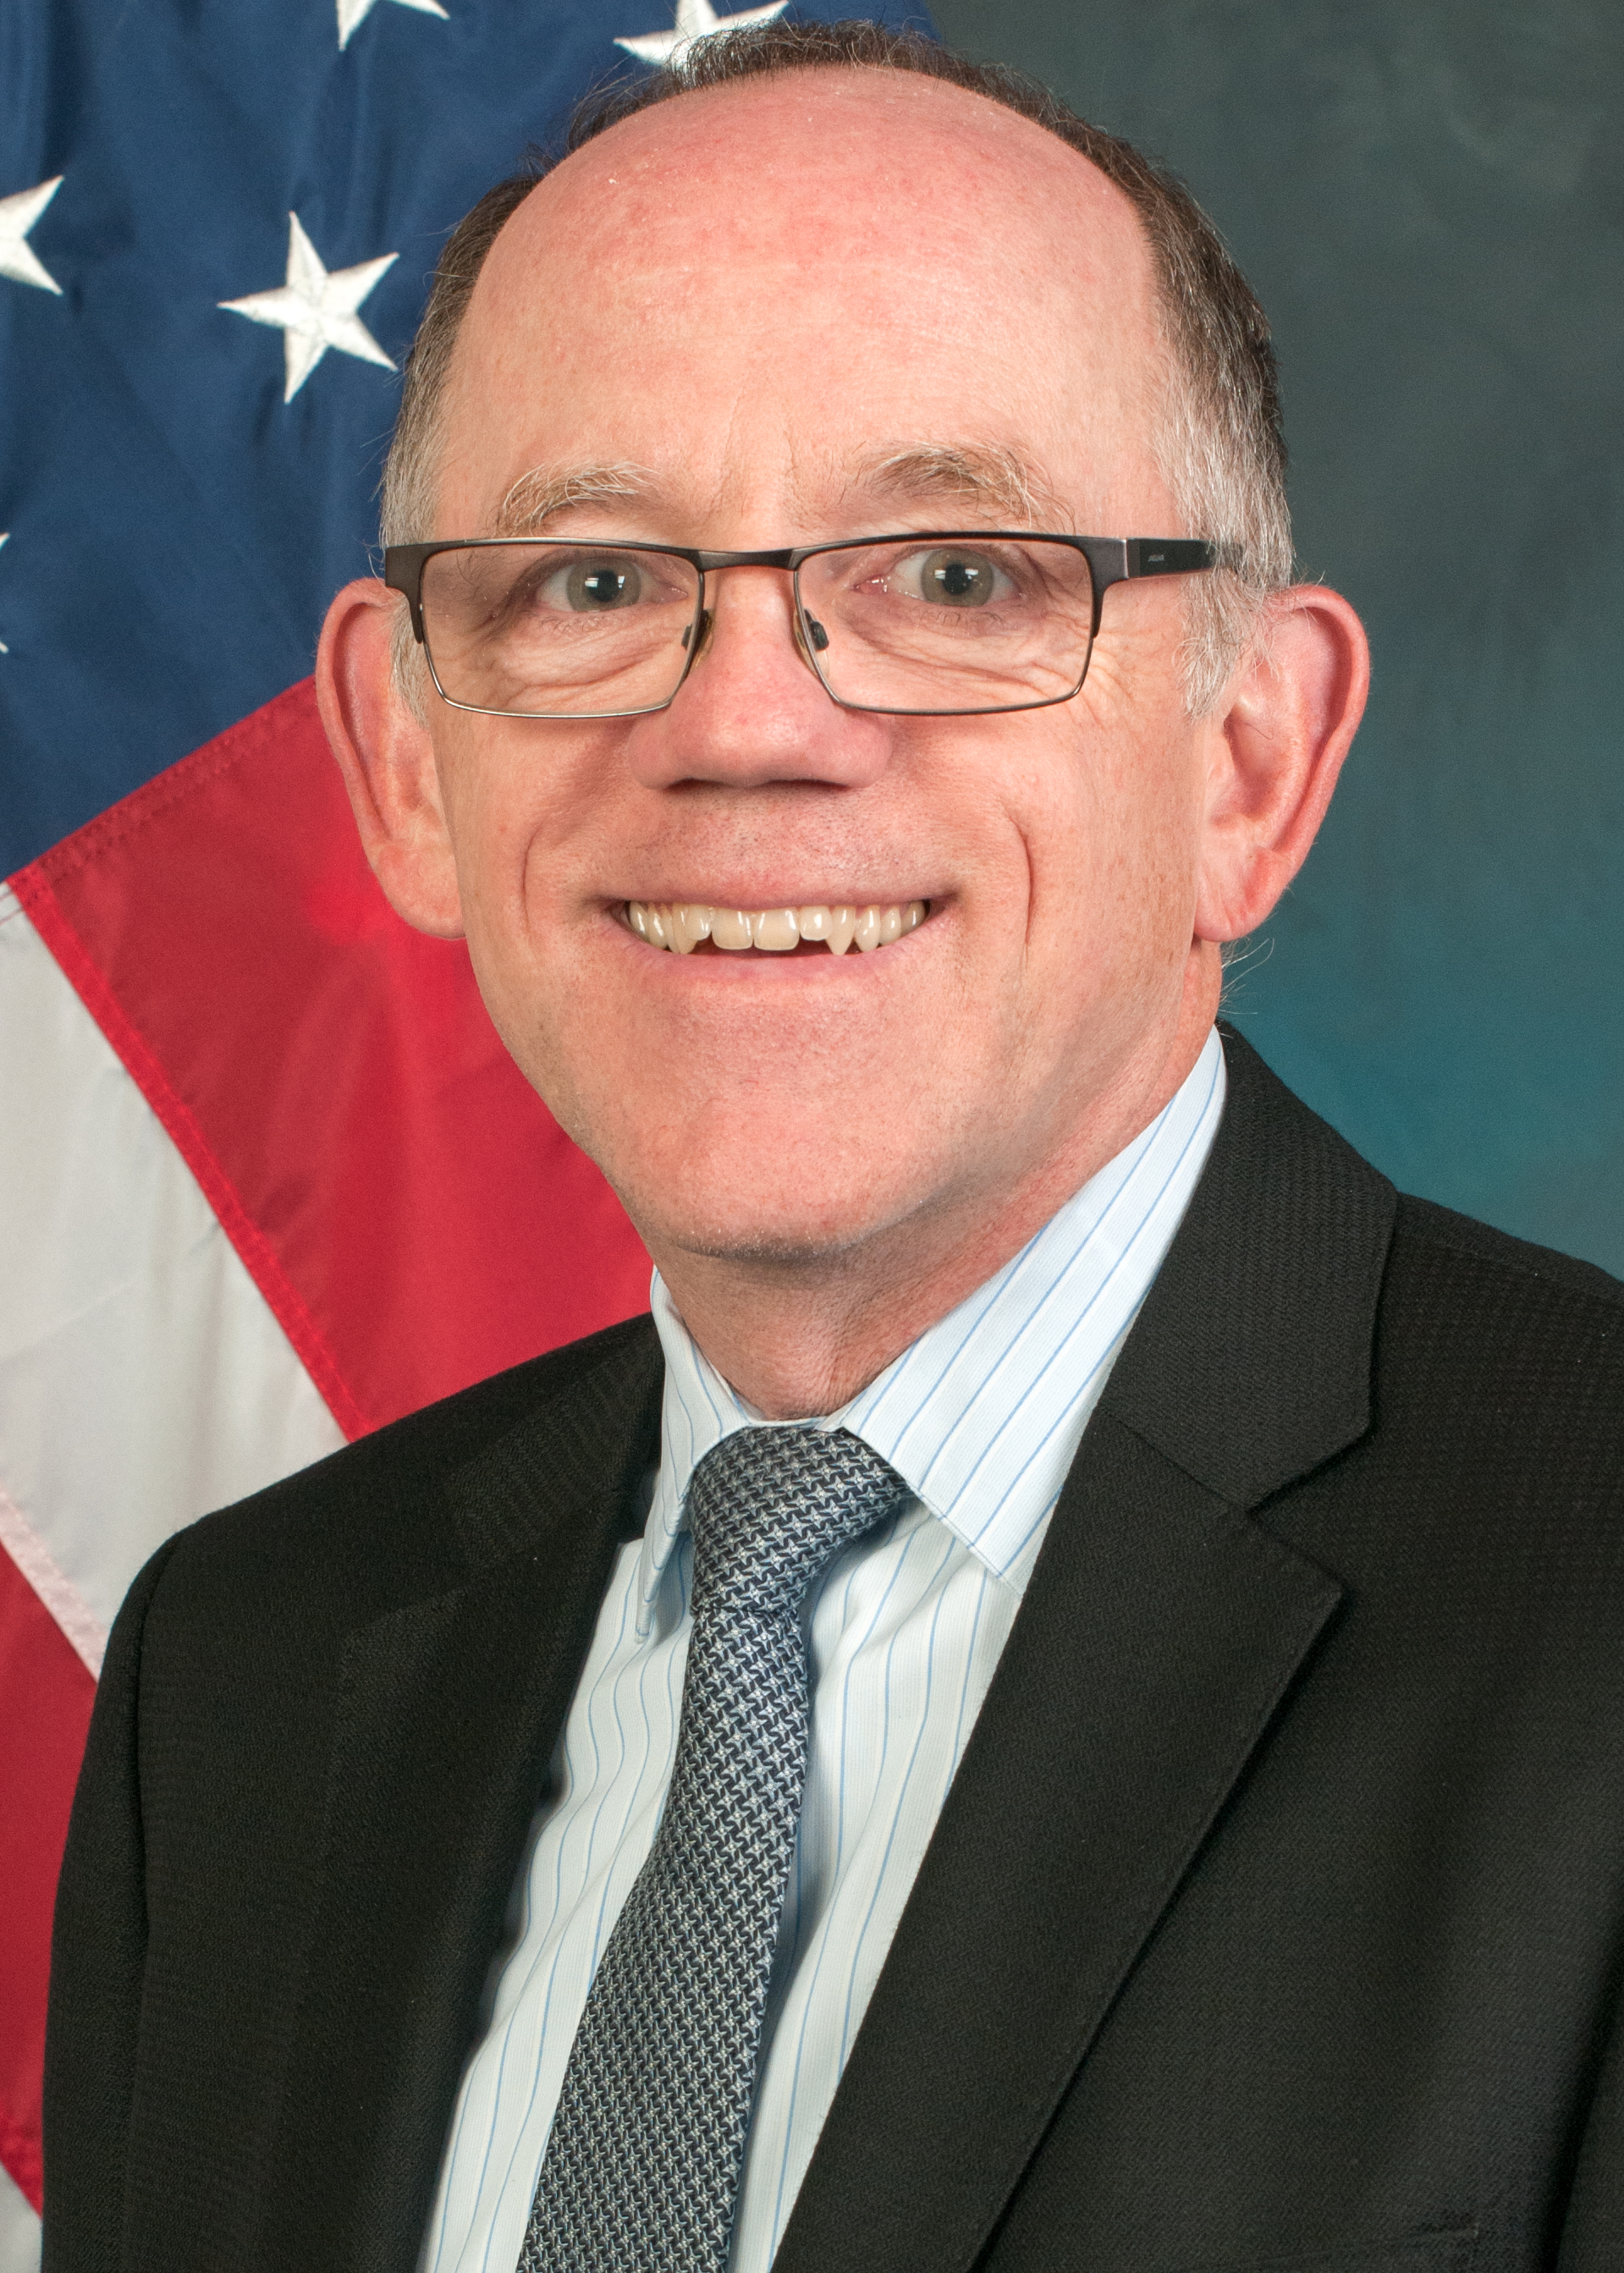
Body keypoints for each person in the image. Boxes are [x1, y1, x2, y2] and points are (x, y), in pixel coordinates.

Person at [42, 22, 1624, 2273]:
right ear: (404, 762)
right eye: (593, 583)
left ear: (1251, 763)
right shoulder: (247, 1671)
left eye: (959, 577)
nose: (749, 723)